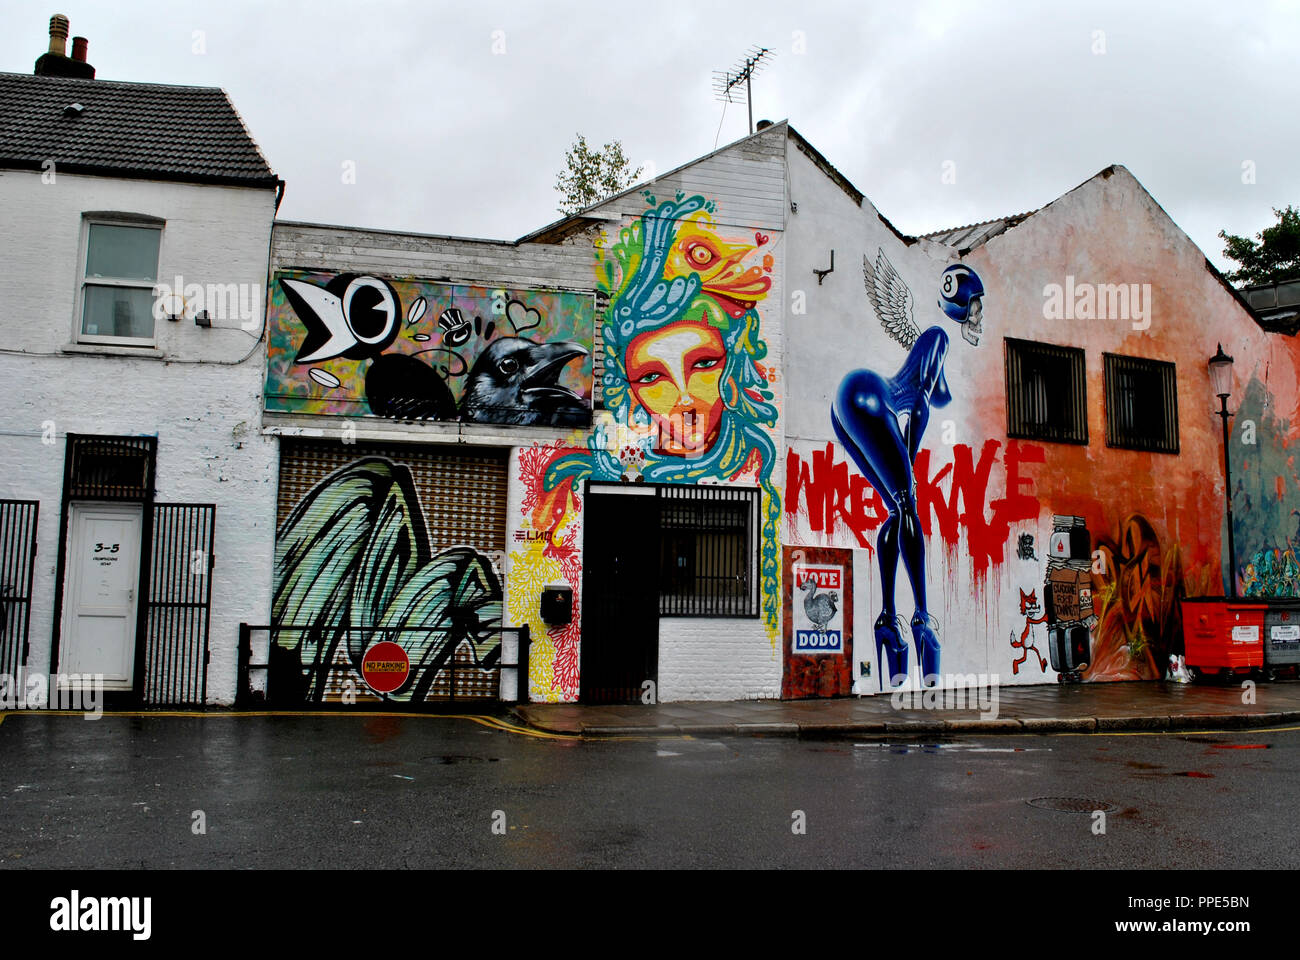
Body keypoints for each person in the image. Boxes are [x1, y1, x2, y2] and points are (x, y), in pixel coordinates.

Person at [833, 325, 951, 688]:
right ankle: (922, 618)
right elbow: (920, 408)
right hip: (869, 399)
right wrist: (910, 468)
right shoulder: (934, 350)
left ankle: (887, 618)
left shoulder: (907, 373)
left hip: (842, 405)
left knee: (896, 511)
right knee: (907, 502)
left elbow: (935, 397)